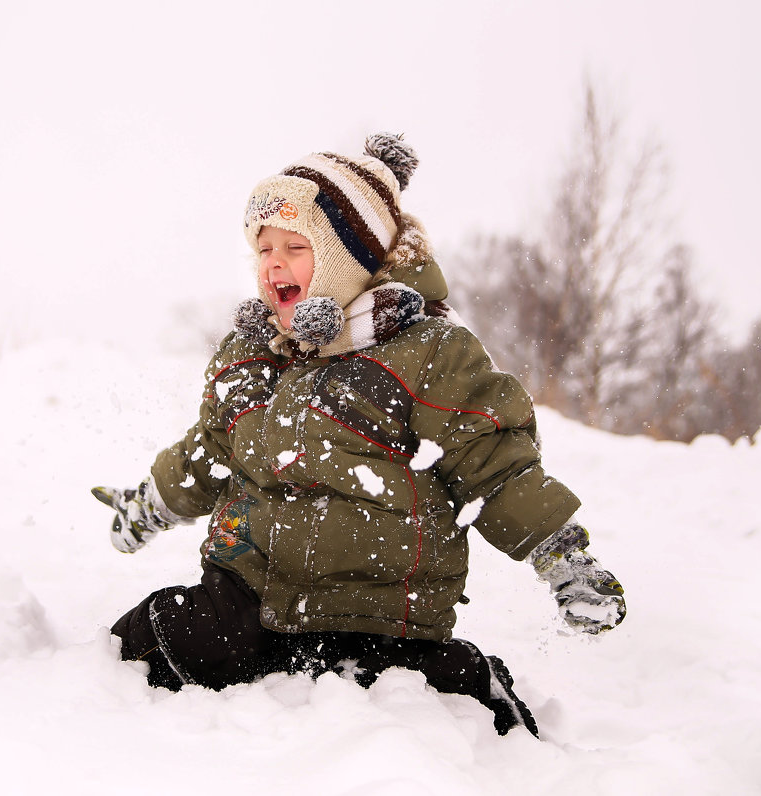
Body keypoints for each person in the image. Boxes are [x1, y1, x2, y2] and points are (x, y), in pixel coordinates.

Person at [93, 133, 625, 737]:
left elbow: (494, 465)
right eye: (262, 248)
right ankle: (96, 713)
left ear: (350, 260)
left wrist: (563, 555)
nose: (272, 263)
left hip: (383, 610)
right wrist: (149, 504)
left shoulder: (425, 354)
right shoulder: (253, 359)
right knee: (155, 637)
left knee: (449, 703)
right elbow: (208, 454)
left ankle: (505, 738)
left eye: (295, 246)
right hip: (252, 599)